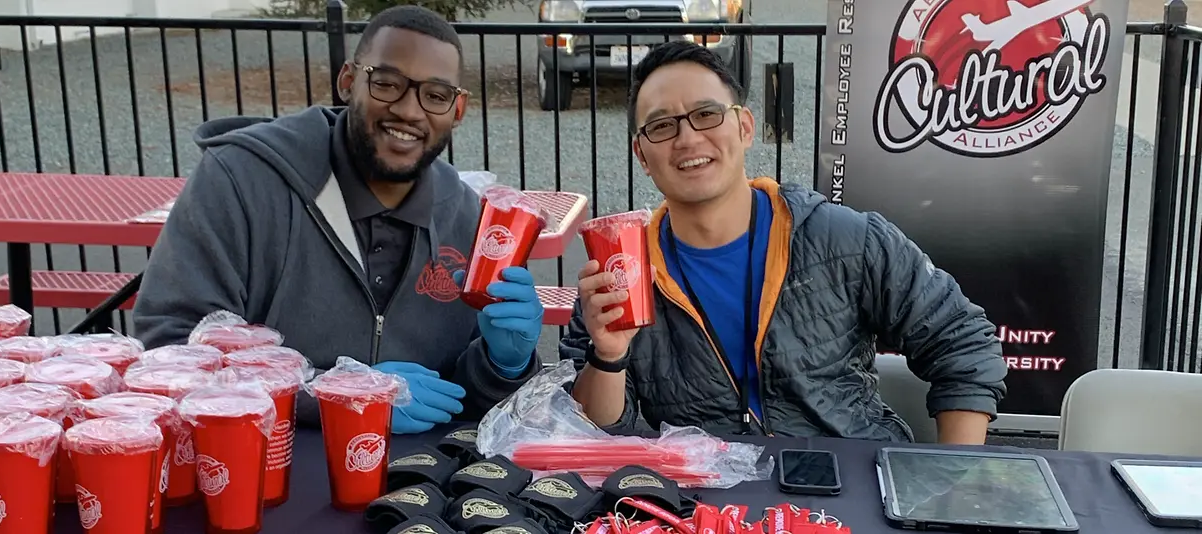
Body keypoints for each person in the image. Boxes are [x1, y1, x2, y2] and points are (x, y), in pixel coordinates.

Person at [561, 41, 1007, 444]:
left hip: (850, 477)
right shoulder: (620, 272)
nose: (688, 138)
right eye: (662, 127)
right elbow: (591, 430)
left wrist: (956, 479)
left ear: (745, 127)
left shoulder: (844, 238)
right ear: (642, 154)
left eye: (706, 114)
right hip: (709, 499)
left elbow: (962, 342)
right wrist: (608, 355)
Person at [134, 5, 544, 433]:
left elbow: (466, 405)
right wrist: (335, 397)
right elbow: (168, 348)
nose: (409, 110)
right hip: (266, 470)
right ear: (349, 82)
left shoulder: (467, 218)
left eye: (436, 95)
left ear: (457, 111)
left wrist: (502, 365)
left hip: (414, 486)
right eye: (387, 83)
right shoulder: (242, 180)